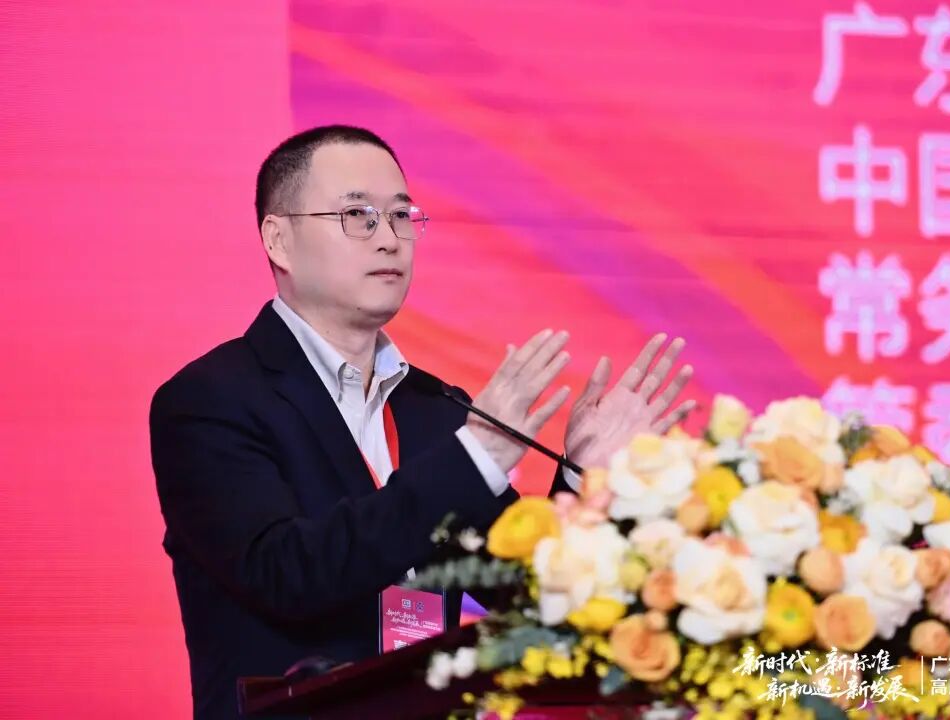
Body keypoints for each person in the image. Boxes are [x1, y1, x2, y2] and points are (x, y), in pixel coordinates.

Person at [149, 125, 695, 719]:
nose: (389, 239)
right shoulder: (210, 400)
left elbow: (529, 598)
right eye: (358, 215)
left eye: (401, 216)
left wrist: (583, 482)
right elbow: (288, 574)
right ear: (278, 239)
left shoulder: (436, 409)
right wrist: (476, 458)